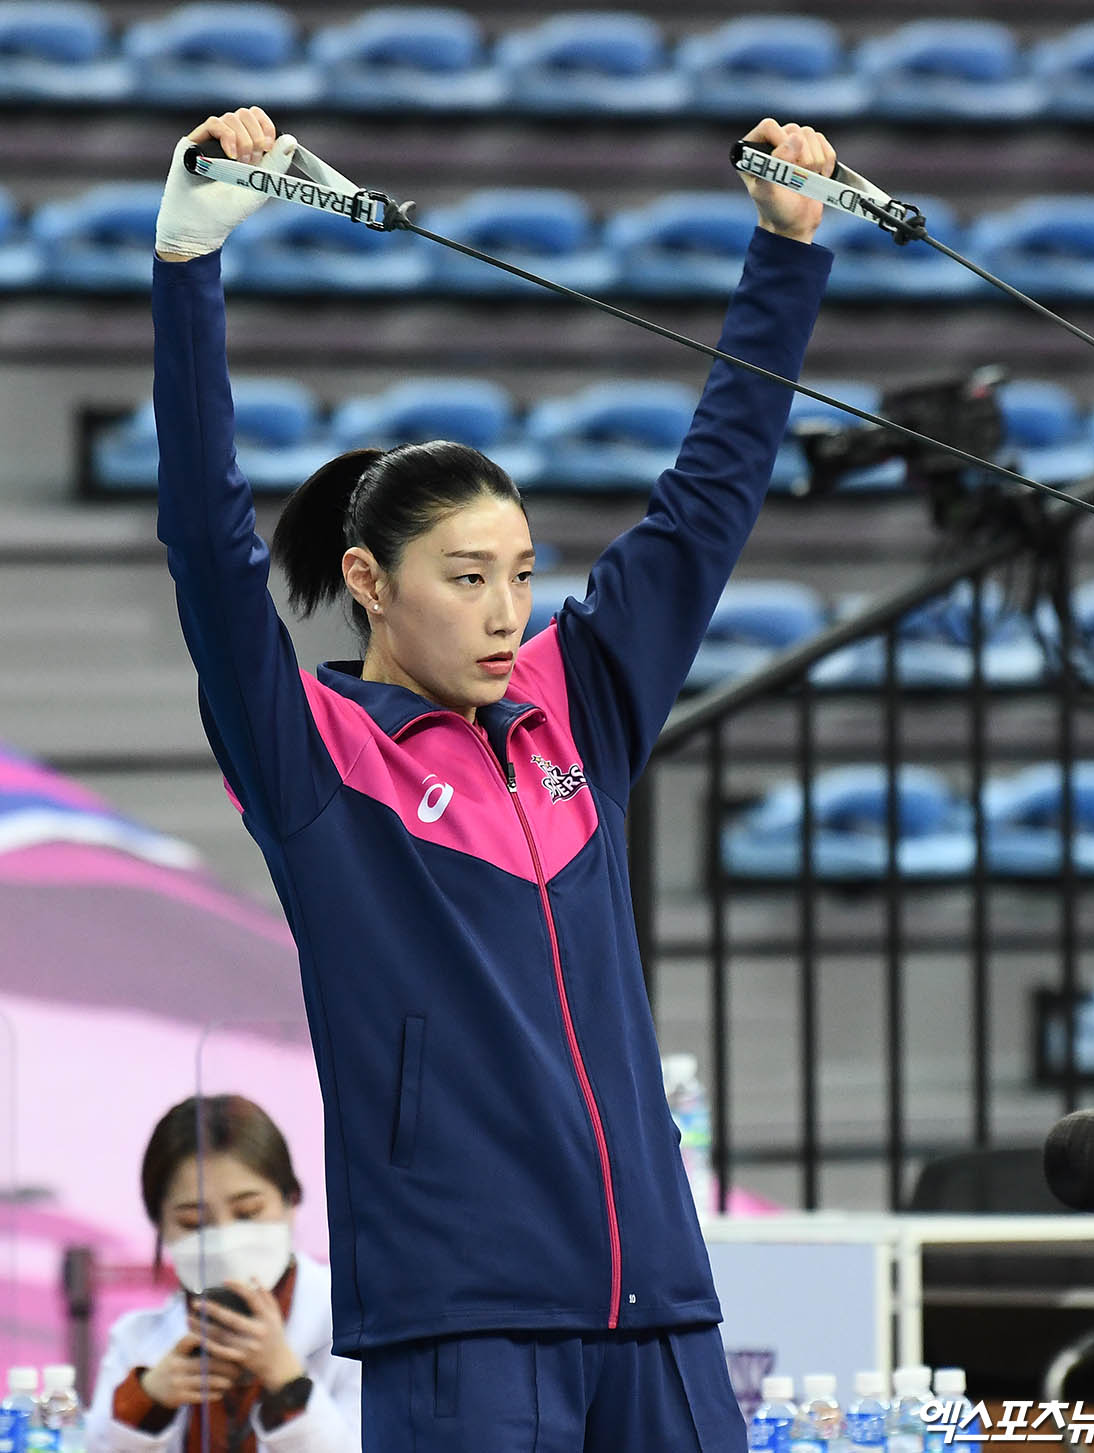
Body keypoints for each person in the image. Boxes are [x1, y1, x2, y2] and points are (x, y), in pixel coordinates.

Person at [151, 105, 834, 1450]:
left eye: (521, 574)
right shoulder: (315, 755)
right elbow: (204, 548)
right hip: (462, 1325)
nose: (507, 611)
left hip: (660, 1315)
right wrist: (189, 268)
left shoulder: (579, 698)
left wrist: (786, 254)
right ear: (369, 586)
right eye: (467, 580)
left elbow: (708, 501)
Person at [84, 1094, 361, 1451]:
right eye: (193, 1222)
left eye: (248, 1213)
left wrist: (286, 1380)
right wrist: (149, 1400)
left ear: (291, 1201)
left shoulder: (352, 1321)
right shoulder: (137, 1342)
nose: (225, 1241)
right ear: (160, 1227)